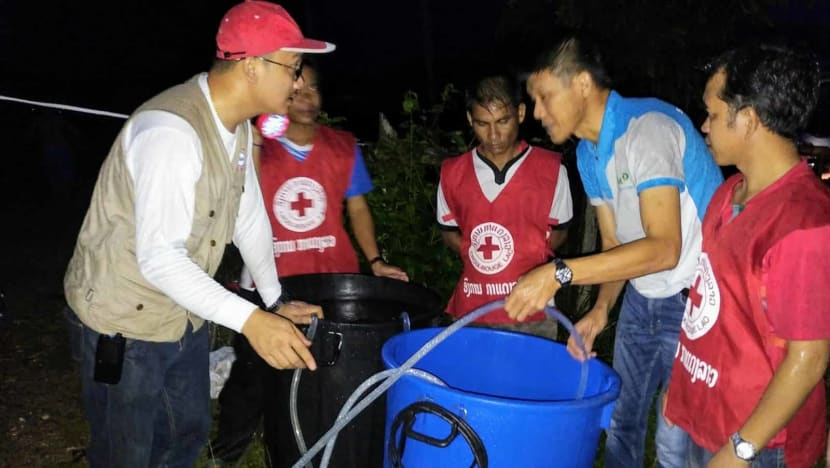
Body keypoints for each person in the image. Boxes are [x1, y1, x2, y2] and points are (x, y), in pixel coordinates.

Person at [62, 2, 333, 466]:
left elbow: (248, 217)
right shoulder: (170, 133)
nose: (298, 83)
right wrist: (250, 322)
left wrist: (273, 302)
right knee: (127, 452)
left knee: (186, 432)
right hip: (123, 321)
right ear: (251, 66)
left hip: (183, 313)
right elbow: (160, 259)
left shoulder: (240, 130)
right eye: (291, 68)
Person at [503, 36, 723, 467]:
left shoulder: (648, 129)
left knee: (674, 442)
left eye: (545, 98)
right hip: (644, 299)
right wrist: (602, 310)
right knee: (621, 418)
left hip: (697, 302)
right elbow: (616, 243)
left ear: (582, 84)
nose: (539, 114)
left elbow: (663, 248)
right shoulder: (588, 154)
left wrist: (558, 272)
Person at [209, 60, 408, 465]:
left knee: (323, 368)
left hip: (332, 279)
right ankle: (226, 451)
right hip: (270, 281)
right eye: (295, 90)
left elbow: (358, 209)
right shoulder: (257, 142)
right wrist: (265, 131)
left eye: (313, 90)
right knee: (253, 372)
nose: (305, 98)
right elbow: (243, 195)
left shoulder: (342, 145)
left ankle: (312, 444)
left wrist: (375, 261)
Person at [664, 44, 830, 467]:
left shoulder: (803, 224)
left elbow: (808, 358)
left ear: (749, 119)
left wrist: (742, 450)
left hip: (761, 444)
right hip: (712, 416)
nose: (704, 125)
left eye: (713, 114)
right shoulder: (729, 192)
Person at [436, 75, 572, 339]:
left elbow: (561, 230)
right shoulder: (452, 173)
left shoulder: (551, 170)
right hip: (472, 310)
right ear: (469, 120)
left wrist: (527, 255)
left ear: (520, 113)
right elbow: (448, 230)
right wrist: (474, 253)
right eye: (482, 124)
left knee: (533, 379)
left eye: (503, 121)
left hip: (533, 309)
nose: (494, 135)